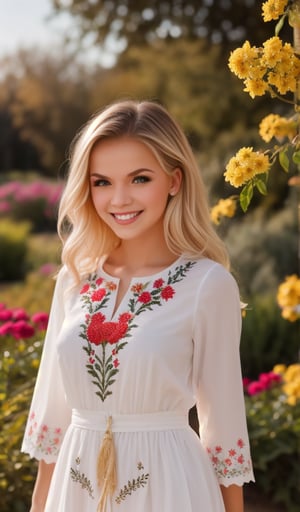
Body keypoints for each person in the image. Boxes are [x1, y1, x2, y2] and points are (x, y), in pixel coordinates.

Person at [22, 99, 254, 512]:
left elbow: (223, 427)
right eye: (102, 182)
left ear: (175, 181)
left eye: (140, 178)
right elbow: (52, 414)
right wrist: (40, 504)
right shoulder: (75, 280)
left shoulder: (207, 284)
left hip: (170, 490)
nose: (119, 199)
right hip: (74, 490)